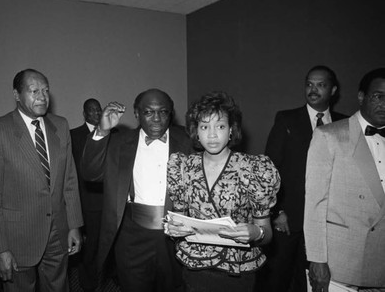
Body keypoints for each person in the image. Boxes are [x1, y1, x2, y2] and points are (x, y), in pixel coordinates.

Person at [0, 69, 83, 292]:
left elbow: (69, 180)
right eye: (34, 91)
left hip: (58, 231)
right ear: (16, 95)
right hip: (18, 237)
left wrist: (74, 225)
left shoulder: (61, 126)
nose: (42, 97)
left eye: (45, 90)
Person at [165, 91, 280, 292]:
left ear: (231, 131)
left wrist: (257, 233)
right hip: (195, 268)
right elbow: (180, 221)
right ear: (196, 132)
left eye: (220, 126)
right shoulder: (184, 167)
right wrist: (174, 230)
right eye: (204, 126)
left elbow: (267, 232)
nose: (211, 134)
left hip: (237, 270)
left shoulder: (253, 168)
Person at [81, 88, 193, 292]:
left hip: (176, 235)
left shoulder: (188, 141)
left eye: (163, 112)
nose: (157, 119)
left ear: (171, 113)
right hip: (132, 237)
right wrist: (103, 131)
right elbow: (90, 173)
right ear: (137, 113)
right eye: (149, 112)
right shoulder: (120, 142)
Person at [260, 65, 347, 292]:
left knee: (314, 284)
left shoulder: (345, 124)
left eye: (321, 85)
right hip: (288, 221)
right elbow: (269, 170)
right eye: (309, 84)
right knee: (277, 281)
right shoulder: (286, 120)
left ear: (334, 90)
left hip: (329, 224)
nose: (313, 89)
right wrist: (277, 211)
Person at [304, 68, 385, 291]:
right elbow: (314, 205)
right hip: (339, 266)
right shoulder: (328, 136)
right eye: (379, 96)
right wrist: (317, 260)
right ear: (361, 97)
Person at [70, 98, 103, 292]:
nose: (96, 113)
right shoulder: (74, 136)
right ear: (85, 113)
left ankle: (114, 278)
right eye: (92, 110)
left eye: (99, 109)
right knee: (89, 250)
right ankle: (88, 285)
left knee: (112, 247)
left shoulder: (113, 134)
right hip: (87, 203)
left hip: (110, 202)